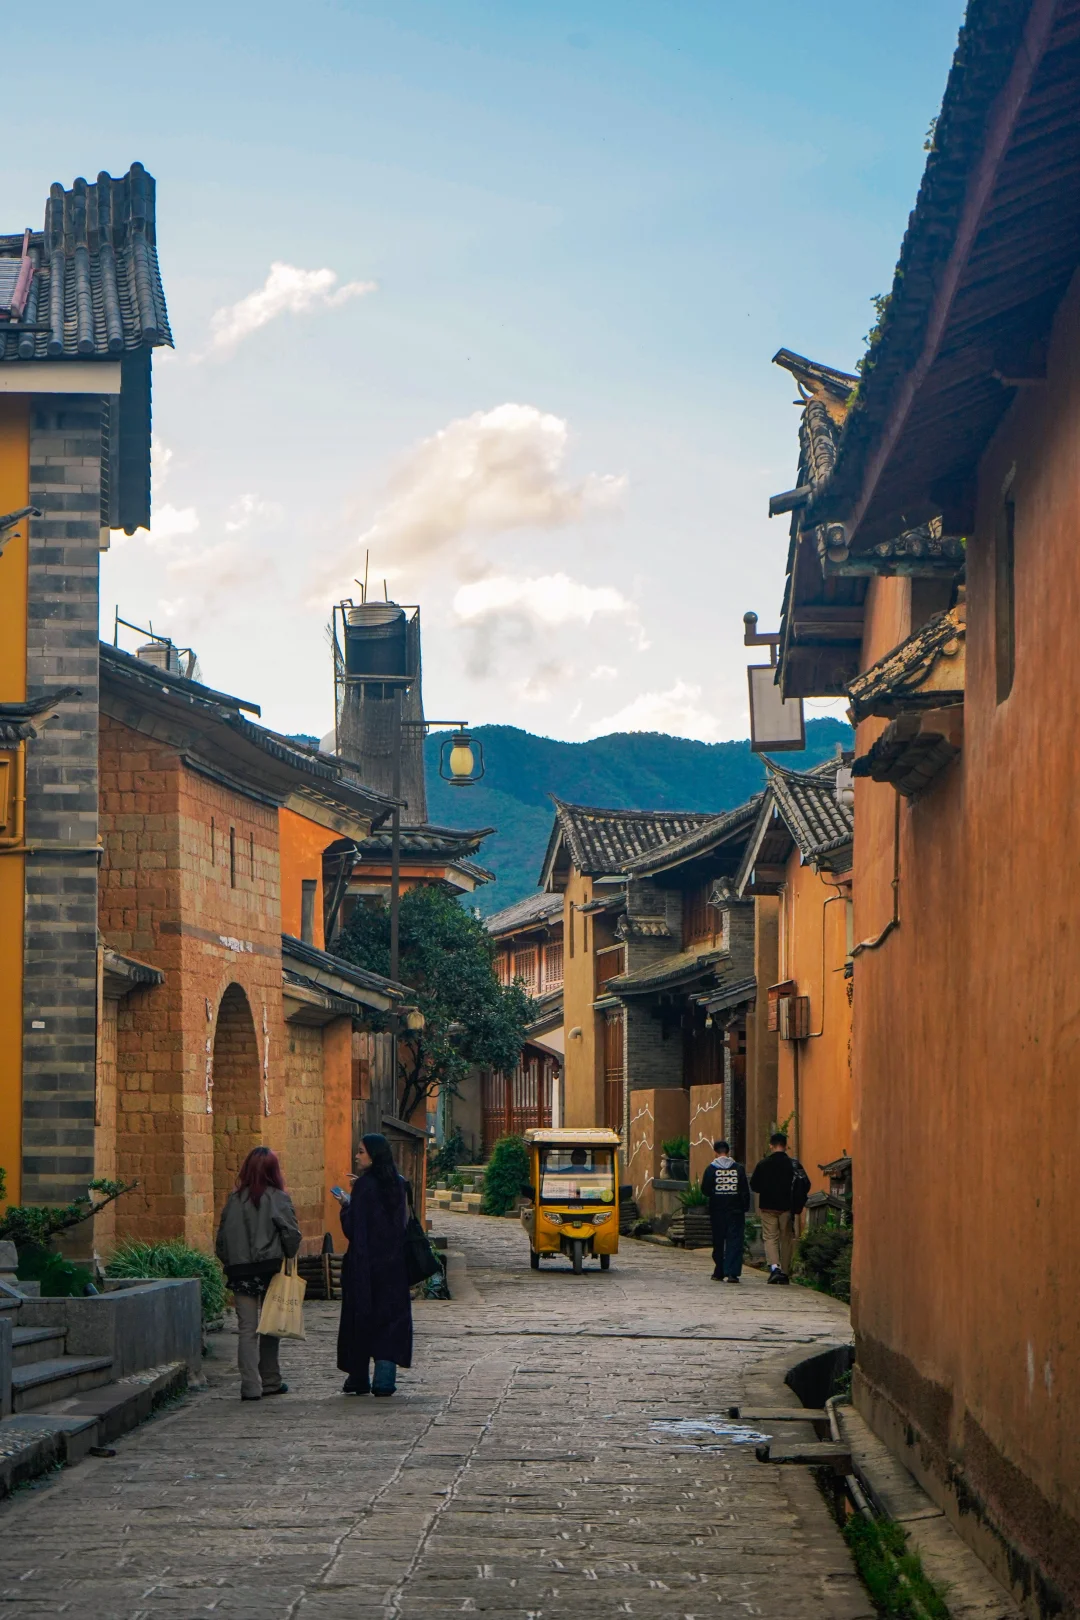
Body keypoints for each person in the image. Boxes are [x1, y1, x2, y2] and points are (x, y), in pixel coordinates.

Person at [215, 1145, 302, 1401]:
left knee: (247, 1329)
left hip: (240, 1271)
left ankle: (250, 1386)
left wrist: (231, 1261)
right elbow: (292, 1235)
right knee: (271, 1326)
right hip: (270, 1269)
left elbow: (221, 1241)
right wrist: (287, 1252)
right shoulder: (279, 1198)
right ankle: (271, 1380)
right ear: (273, 1171)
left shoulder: (233, 1201)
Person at [334, 1133, 413, 1397]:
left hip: (365, 1266)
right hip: (394, 1267)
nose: (356, 1157)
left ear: (373, 1155)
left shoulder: (364, 1187)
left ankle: (358, 1378)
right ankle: (384, 1380)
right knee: (390, 1321)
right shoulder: (398, 1184)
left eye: (361, 1152)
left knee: (360, 1321)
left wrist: (347, 1205)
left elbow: (354, 1229)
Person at [749, 1130, 810, 1284]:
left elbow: (754, 1185)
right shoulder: (794, 1164)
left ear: (771, 1146)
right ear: (785, 1146)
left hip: (768, 1207)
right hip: (787, 1208)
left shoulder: (763, 1164)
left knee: (770, 1237)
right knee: (786, 1238)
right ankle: (785, 1272)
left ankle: (774, 1268)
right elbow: (805, 1184)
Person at [701, 1139, 751, 1283]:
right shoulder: (738, 1168)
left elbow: (705, 1189)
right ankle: (733, 1273)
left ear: (715, 1153)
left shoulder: (711, 1169)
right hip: (735, 1211)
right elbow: (744, 1190)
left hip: (717, 1210)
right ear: (728, 1152)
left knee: (718, 1241)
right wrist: (744, 1207)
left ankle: (719, 1270)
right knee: (734, 1241)